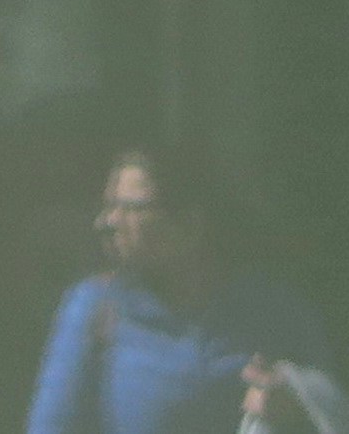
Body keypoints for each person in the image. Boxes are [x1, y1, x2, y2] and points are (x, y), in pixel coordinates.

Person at [23, 147, 333, 434]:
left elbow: (326, 412)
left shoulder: (272, 311)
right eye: (109, 206)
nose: (109, 222)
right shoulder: (97, 308)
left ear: (190, 223)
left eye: (132, 208)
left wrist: (291, 409)